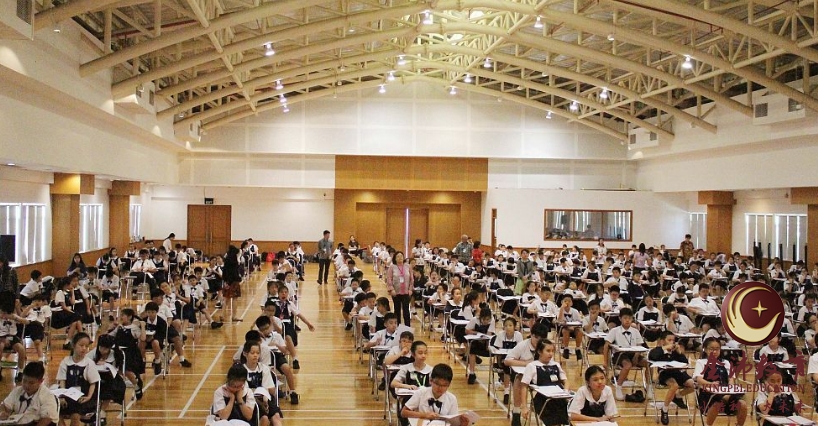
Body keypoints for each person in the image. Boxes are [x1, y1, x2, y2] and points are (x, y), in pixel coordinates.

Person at [694, 337, 748, 426]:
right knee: (718, 403)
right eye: (711, 349)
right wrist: (710, 384)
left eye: (717, 349)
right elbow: (699, 379)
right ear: (705, 349)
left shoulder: (726, 362)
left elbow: (731, 378)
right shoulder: (701, 362)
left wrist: (730, 387)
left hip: (725, 393)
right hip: (709, 396)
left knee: (743, 404)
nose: (714, 352)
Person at [648, 331, 694, 424]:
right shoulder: (658, 350)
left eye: (673, 340)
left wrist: (680, 353)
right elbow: (652, 356)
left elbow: (685, 362)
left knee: (694, 385)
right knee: (674, 385)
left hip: (678, 372)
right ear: (662, 341)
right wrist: (665, 348)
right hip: (665, 373)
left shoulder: (675, 351)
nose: (672, 342)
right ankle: (664, 410)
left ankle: (678, 396)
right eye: (669, 340)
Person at [401, 363, 469, 426]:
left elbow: (453, 422)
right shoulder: (421, 392)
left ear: (449, 385)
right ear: (430, 380)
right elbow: (403, 412)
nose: (440, 388)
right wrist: (425, 415)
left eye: (444, 385)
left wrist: (462, 424)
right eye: (437, 384)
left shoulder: (452, 399)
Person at [520, 339, 570, 425]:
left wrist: (565, 391)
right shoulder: (532, 366)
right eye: (548, 351)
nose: (551, 354)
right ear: (539, 351)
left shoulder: (556, 365)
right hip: (542, 400)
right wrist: (524, 407)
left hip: (559, 398)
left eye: (552, 351)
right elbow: (524, 386)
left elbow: (565, 381)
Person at [56, 333, 100, 426]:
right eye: (81, 345)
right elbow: (62, 381)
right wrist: (63, 397)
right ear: (73, 345)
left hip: (84, 397)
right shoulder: (65, 361)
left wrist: (88, 397)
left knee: (75, 415)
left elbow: (93, 383)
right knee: (54, 411)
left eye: (86, 346)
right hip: (68, 396)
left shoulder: (89, 363)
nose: (84, 348)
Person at [0, 361, 59, 426]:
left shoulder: (47, 395)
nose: (26, 385)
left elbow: (47, 419)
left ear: (41, 381)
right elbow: (5, 405)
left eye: (31, 383)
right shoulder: (17, 391)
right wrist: (3, 412)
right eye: (24, 380)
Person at [88, 334, 126, 426]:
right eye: (101, 347)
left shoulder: (115, 354)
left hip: (111, 378)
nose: (102, 350)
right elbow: (86, 363)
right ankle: (94, 411)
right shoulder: (94, 353)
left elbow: (118, 370)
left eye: (105, 348)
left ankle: (102, 411)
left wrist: (107, 364)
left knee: (110, 387)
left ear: (109, 348)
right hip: (96, 377)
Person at [386, 251, 413, 326]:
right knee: (397, 310)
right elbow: (389, 279)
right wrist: (391, 289)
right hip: (396, 292)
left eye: (401, 256)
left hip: (406, 292)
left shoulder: (408, 266)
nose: (400, 258)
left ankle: (407, 327)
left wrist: (410, 289)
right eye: (398, 256)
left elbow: (412, 279)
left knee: (406, 311)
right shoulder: (392, 267)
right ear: (395, 258)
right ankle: (397, 327)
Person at [222, 245, 243, 322]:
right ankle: (234, 316)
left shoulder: (226, 261)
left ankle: (222, 315)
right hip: (234, 282)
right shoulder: (234, 262)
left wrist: (225, 281)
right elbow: (234, 273)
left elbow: (224, 272)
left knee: (226, 299)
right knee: (235, 299)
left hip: (227, 282)